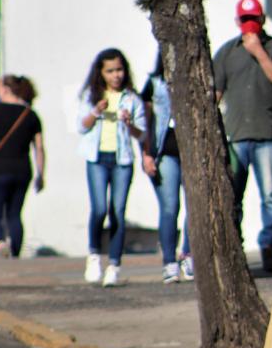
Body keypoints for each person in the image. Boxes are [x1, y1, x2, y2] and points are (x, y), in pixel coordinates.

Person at [213, 0, 272, 273]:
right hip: (235, 137)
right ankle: (235, 248)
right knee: (234, 195)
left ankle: (268, 246)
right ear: (237, 21)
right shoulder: (226, 52)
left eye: (253, 19)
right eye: (244, 20)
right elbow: (216, 94)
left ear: (262, 19)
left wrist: (259, 52)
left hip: (266, 134)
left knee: (269, 195)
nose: (249, 25)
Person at [77, 48, 148, 288]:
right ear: (101, 72)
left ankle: (114, 265)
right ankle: (94, 255)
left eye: (119, 70)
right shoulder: (91, 95)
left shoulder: (131, 98)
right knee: (99, 209)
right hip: (96, 158)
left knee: (117, 210)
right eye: (110, 71)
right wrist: (96, 111)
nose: (116, 75)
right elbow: (82, 126)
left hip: (122, 161)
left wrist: (129, 124)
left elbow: (141, 134)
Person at [0, 75, 44, 259]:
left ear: (4, 89)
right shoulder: (31, 114)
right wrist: (41, 174)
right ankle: (16, 254)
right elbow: (39, 148)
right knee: (14, 213)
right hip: (22, 170)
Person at [142, 54, 193, 284]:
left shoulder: (194, 78)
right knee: (170, 207)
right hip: (164, 151)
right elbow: (146, 122)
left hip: (191, 151)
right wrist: (146, 154)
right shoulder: (154, 83)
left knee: (194, 206)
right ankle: (169, 261)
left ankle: (189, 255)